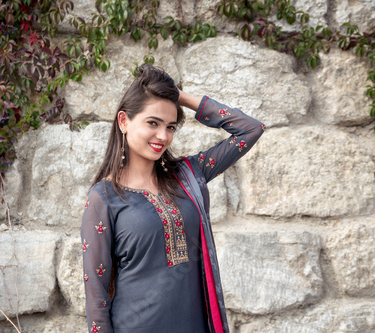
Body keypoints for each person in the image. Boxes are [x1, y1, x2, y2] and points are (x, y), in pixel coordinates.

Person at [81, 63, 265, 333]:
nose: (163, 136)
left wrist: (180, 97)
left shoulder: (189, 174)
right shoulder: (104, 197)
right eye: (153, 123)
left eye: (170, 126)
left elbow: (250, 129)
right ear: (124, 121)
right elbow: (95, 297)